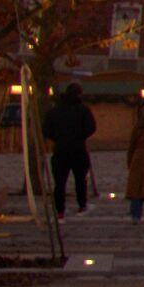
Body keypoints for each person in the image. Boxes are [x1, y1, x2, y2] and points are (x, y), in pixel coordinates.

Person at [43, 83, 96, 216]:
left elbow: (46, 130)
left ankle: (60, 209)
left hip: (60, 149)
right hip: (78, 149)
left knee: (59, 182)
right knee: (80, 180)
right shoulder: (83, 110)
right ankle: (82, 205)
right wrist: (80, 135)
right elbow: (91, 127)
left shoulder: (55, 111)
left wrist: (57, 137)